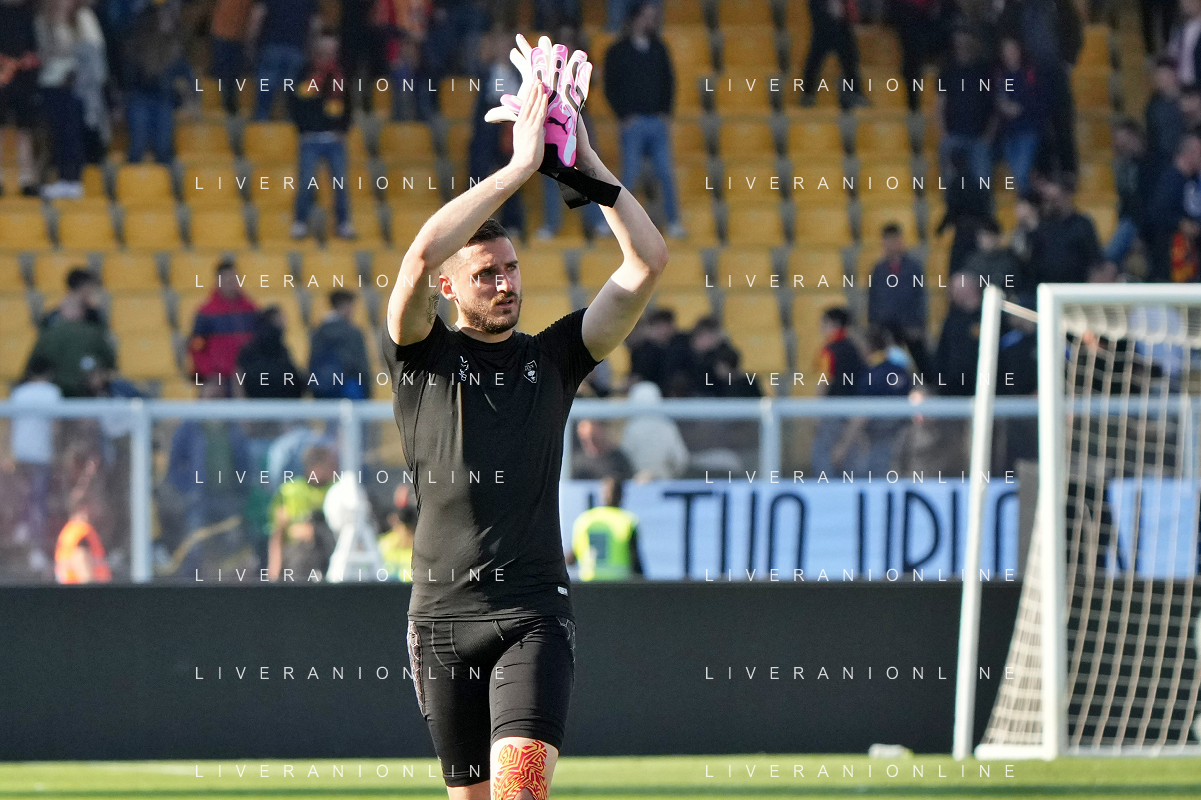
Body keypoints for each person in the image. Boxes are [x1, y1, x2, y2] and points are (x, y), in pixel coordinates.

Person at [382, 74, 668, 795]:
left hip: (533, 614)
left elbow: (646, 264)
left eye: (511, 269)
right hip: (440, 619)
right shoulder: (421, 354)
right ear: (450, 289)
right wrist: (517, 169)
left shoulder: (555, 357)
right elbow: (419, 258)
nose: (507, 284)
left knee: (521, 792)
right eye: (486, 274)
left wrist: (584, 167)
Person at [603, 1, 686, 239]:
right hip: (633, 124)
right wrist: (623, 115)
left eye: (653, 17)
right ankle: (619, 225)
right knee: (629, 176)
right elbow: (610, 87)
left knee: (665, 174)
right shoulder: (617, 50)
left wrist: (666, 114)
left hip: (657, 123)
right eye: (645, 16)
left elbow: (669, 82)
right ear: (634, 18)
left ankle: (673, 221)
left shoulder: (660, 48)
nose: (650, 21)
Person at [34, 0, 107, 200]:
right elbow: (41, 52)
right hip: (50, 84)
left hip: (76, 86)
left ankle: (72, 180)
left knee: (72, 134)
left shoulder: (83, 17)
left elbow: (94, 52)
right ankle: (62, 178)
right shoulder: (42, 20)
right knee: (56, 134)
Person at [289, 32, 354, 241]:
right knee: (306, 183)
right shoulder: (303, 72)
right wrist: (303, 128)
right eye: (325, 49)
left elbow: (348, 105)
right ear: (316, 49)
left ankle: (343, 224)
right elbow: (296, 102)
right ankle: (300, 222)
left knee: (340, 185)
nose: (329, 54)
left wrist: (342, 130)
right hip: (310, 139)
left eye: (332, 50)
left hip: (334, 140)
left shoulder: (340, 74)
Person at [121, 0, 192, 165]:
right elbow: (128, 70)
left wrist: (193, 97)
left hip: (165, 99)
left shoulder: (177, 44)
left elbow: (188, 75)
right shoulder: (137, 39)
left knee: (163, 148)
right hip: (140, 96)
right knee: (137, 146)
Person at [9, 356, 61, 567]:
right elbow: (56, 426)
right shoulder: (52, 393)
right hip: (41, 453)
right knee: (38, 500)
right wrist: (57, 451)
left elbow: (12, 424)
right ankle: (36, 549)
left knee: (27, 494)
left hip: (21, 451)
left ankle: (23, 526)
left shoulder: (19, 393)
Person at [266, 444, 337, 580]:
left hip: (330, 556)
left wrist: (315, 531)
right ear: (314, 467)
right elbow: (278, 533)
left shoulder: (338, 489)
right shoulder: (289, 491)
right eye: (330, 465)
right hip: (298, 561)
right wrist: (274, 571)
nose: (334, 469)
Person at [866, 222, 929, 379]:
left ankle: (929, 387)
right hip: (885, 326)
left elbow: (919, 296)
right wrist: (874, 323)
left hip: (910, 325)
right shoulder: (879, 269)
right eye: (887, 240)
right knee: (886, 366)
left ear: (900, 241)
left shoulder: (913, 267)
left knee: (923, 365)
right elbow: (873, 297)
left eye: (893, 240)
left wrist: (918, 323)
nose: (890, 244)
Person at [810, 306, 866, 477]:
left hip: (832, 411)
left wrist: (816, 412)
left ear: (834, 324)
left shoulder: (829, 351)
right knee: (850, 457)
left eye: (824, 323)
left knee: (823, 455)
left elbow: (824, 381)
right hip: (854, 411)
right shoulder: (856, 349)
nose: (821, 328)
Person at [26, 291, 115, 397]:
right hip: (87, 394)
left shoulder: (48, 334)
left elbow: (34, 365)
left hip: (56, 393)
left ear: (61, 311)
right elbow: (110, 362)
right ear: (82, 311)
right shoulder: (95, 333)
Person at [937, 27, 994, 185]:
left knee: (982, 183)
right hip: (953, 136)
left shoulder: (984, 70)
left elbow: (994, 106)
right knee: (950, 182)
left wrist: (988, 135)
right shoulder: (947, 71)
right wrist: (943, 134)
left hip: (978, 138)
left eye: (966, 42)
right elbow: (940, 105)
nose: (963, 46)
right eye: (959, 43)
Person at [247, 0, 319, 121]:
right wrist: (311, 50)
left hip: (271, 46)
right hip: (297, 49)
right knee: (292, 96)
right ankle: (289, 126)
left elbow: (257, 18)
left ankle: (261, 124)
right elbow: (315, 25)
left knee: (265, 91)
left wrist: (250, 44)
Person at [188, 257, 258, 382]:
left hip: (247, 374)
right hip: (218, 376)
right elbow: (197, 347)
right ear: (218, 281)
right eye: (227, 280)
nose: (232, 284)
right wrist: (209, 372)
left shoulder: (251, 309)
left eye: (234, 279)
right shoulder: (206, 312)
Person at [1027, 172, 1103, 284]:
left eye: (1054, 200)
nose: (1049, 204)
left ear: (1068, 194)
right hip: (1043, 287)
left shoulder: (1082, 224)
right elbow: (1029, 262)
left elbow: (1095, 262)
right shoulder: (1040, 226)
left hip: (1075, 288)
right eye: (1047, 200)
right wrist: (1030, 229)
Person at [1146, 133, 1201, 282]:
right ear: (1188, 154)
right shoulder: (1169, 180)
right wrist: (1180, 223)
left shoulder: (1194, 180)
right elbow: (1157, 213)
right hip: (1171, 251)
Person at [0, 0, 41, 197]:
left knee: (25, 130)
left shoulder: (30, 12)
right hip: (2, 77)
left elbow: (36, 47)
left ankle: (27, 178)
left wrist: (25, 62)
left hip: (24, 79)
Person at [567, 476, 642, 581]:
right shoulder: (627, 520)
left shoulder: (585, 519)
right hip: (618, 582)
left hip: (589, 582)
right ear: (621, 495)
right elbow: (635, 558)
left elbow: (571, 559)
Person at [995, 36, 1043, 196]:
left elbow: (1038, 99)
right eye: (1006, 51)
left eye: (1012, 50)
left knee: (1021, 174)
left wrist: (1020, 108)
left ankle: (1026, 203)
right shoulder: (1000, 76)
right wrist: (1002, 106)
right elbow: (996, 98)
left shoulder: (1029, 73)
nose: (1010, 54)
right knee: (1018, 175)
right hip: (1008, 133)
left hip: (1027, 130)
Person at [798, 0, 866, 109]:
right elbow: (816, 12)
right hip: (823, 30)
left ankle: (855, 93)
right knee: (814, 61)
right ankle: (807, 94)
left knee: (850, 61)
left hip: (842, 28)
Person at [1105, 118, 1153, 268]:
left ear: (1134, 136)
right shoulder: (1124, 165)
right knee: (1108, 259)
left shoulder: (1152, 163)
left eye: (1123, 143)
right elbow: (1126, 201)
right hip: (1131, 221)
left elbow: (1147, 202)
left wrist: (1141, 234)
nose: (1121, 147)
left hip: (1149, 222)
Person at [620, 380, 689, 479]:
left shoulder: (632, 429)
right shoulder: (667, 427)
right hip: (663, 482)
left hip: (639, 482)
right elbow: (681, 459)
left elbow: (625, 459)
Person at [308, 290, 370, 399]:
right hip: (351, 388)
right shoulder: (353, 333)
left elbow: (311, 361)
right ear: (345, 306)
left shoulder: (317, 332)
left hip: (322, 389)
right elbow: (361, 365)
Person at [237, 306, 304, 398]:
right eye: (280, 319)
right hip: (266, 400)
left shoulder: (282, 350)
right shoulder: (251, 351)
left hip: (273, 400)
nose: (284, 323)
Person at [934, 271, 982, 395]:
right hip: (952, 389)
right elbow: (943, 351)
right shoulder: (952, 319)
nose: (950, 292)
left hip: (980, 386)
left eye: (954, 289)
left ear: (969, 289)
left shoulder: (989, 317)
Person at [208, 0, 252, 116]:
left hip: (235, 36)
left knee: (232, 75)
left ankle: (229, 106)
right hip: (225, 34)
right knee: (224, 74)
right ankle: (226, 106)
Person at [1146, 57, 1184, 186]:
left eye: (1165, 75)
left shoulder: (1189, 99)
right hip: (1163, 160)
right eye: (1158, 76)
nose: (1161, 79)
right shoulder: (1153, 106)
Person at [54, 500, 111, 584]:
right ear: (85, 509)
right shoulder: (82, 532)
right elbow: (81, 560)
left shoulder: (70, 530)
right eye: (95, 506)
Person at [40, 267, 106, 329]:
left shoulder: (93, 315)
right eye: (91, 289)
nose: (92, 294)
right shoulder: (53, 317)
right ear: (84, 288)